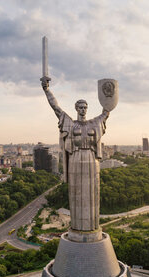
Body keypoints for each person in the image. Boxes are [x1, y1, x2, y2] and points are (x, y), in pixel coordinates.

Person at [41, 78, 110, 232]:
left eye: (85, 107)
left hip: (92, 160)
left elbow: (107, 111)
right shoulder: (70, 124)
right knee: (76, 192)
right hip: (75, 158)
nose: (83, 109)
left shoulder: (94, 123)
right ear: (76, 108)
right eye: (80, 107)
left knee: (93, 191)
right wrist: (47, 90)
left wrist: (109, 95)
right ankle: (77, 227)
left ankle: (92, 227)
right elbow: (56, 107)